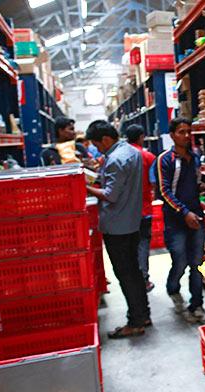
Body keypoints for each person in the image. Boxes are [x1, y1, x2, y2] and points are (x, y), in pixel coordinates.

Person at [85, 120, 151, 338]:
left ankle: (135, 322)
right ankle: (144, 314)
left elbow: (111, 195)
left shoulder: (115, 159)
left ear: (106, 139)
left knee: (126, 275)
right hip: (132, 221)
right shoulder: (131, 152)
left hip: (117, 226)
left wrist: (86, 187)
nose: (97, 148)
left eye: (97, 144)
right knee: (134, 272)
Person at [156, 117, 205, 324]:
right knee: (180, 261)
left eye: (189, 131)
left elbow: (194, 182)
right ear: (172, 135)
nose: (186, 135)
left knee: (197, 264)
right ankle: (173, 287)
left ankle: (196, 305)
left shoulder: (195, 157)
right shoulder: (165, 159)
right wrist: (184, 212)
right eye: (181, 132)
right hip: (176, 221)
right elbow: (164, 191)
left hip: (195, 217)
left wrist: (201, 188)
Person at [126, 124, 156, 293]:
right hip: (144, 210)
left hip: (125, 213)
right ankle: (143, 280)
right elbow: (153, 182)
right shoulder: (148, 157)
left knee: (129, 247)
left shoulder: (121, 156)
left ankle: (133, 282)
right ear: (141, 137)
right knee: (143, 244)